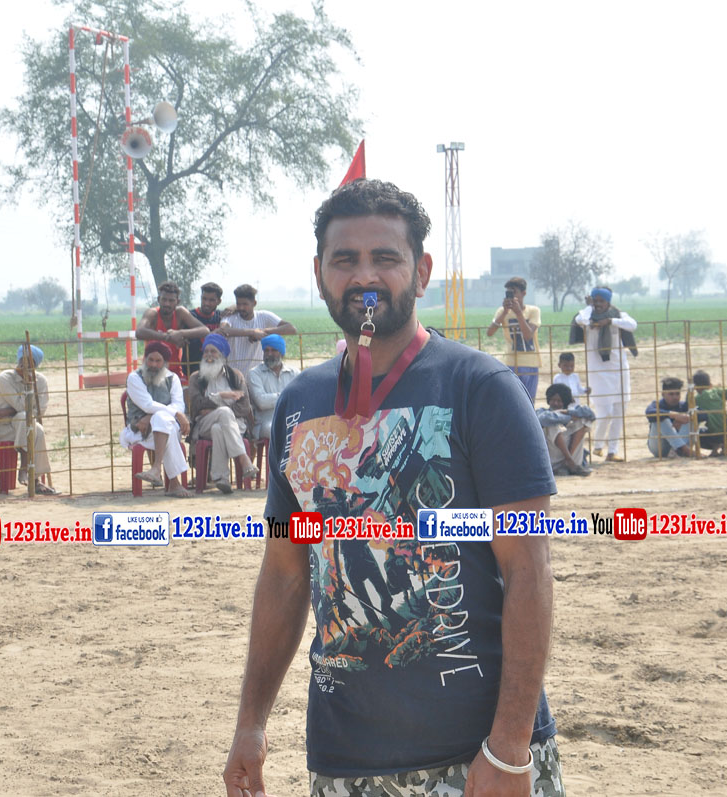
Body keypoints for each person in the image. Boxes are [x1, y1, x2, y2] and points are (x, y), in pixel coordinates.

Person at [224, 179, 562, 797]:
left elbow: (529, 570)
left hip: (478, 756)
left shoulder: (481, 389)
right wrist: (251, 723)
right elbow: (285, 572)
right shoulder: (299, 403)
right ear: (320, 275)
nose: (364, 276)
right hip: (345, 758)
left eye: (385, 257)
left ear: (421, 271)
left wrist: (511, 746)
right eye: (344, 259)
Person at [188, 333, 259, 493]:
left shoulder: (235, 376)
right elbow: (197, 405)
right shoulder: (196, 378)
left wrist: (213, 408)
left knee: (219, 428)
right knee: (224, 412)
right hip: (204, 424)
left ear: (223, 355)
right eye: (206, 352)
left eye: (213, 351)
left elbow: (244, 407)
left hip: (234, 424)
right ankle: (244, 459)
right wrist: (221, 396)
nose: (209, 355)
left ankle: (221, 478)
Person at [120, 341, 193, 497]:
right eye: (150, 360)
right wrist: (175, 414)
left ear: (165, 363)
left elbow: (179, 404)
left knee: (162, 420)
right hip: (141, 431)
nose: (153, 365)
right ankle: (174, 484)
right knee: (165, 423)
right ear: (145, 360)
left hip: (162, 428)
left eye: (158, 361)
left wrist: (154, 416)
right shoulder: (134, 378)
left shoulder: (172, 378)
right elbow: (147, 404)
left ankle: (156, 469)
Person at [0, 344, 59, 494]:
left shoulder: (40, 381)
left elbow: (39, 411)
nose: (25, 365)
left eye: (30, 362)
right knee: (27, 420)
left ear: (35, 365)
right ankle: (27, 470)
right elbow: (20, 406)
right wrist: (23, 403)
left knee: (35, 427)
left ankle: (34, 479)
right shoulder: (5, 378)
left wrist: (8, 411)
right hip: (1, 428)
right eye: (22, 361)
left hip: (25, 425)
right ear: (18, 360)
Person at [573, 286, 637, 462]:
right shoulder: (586, 315)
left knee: (619, 411)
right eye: (596, 301)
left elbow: (633, 325)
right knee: (605, 411)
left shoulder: (618, 315)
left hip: (619, 369)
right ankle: (598, 445)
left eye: (602, 301)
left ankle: (612, 451)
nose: (598, 304)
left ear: (608, 302)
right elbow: (581, 320)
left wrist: (610, 321)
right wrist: (589, 307)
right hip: (598, 371)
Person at [218, 283, 298, 377]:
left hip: (257, 376)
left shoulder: (264, 316)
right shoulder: (230, 317)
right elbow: (223, 330)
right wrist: (252, 332)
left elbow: (291, 329)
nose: (241, 308)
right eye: (238, 304)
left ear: (254, 303)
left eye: (245, 304)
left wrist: (263, 331)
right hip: (233, 376)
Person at [135, 280, 208, 382]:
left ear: (177, 301)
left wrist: (180, 333)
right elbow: (139, 332)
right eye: (164, 299)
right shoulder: (152, 313)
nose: (167, 304)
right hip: (152, 369)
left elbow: (205, 330)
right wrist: (168, 337)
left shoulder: (180, 313)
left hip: (175, 371)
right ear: (158, 299)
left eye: (171, 300)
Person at [486, 276, 541, 402]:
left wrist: (518, 313)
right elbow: (490, 332)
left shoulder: (533, 311)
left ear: (524, 293)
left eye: (514, 292)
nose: (512, 296)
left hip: (530, 362)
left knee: (529, 400)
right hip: (511, 362)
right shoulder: (502, 311)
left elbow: (528, 335)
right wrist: (504, 313)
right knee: (511, 399)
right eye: (509, 293)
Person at [247, 333, 298, 441]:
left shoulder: (294, 373)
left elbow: (301, 398)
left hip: (291, 419)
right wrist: (288, 396)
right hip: (265, 423)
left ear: (281, 353)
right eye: (266, 350)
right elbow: (261, 402)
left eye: (274, 350)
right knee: (277, 429)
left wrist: (275, 398)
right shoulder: (254, 373)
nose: (269, 354)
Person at [536, 383, 593, 476]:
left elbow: (590, 414)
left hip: (572, 456)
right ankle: (568, 460)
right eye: (553, 400)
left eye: (559, 401)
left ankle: (569, 463)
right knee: (553, 425)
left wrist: (567, 412)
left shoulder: (571, 411)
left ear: (565, 402)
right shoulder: (542, 411)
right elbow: (543, 419)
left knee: (582, 421)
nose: (555, 403)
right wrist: (568, 417)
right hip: (553, 458)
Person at [691, 370, 727, 456]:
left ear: (696, 387)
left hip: (712, 435)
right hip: (725, 432)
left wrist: (690, 390)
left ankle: (715, 448)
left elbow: (687, 404)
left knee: (695, 431)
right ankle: (724, 448)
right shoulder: (718, 392)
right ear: (710, 384)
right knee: (723, 420)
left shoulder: (697, 398)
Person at [645, 376, 694, 459]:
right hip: (660, 448)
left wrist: (683, 419)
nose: (675, 397)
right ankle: (684, 449)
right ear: (663, 394)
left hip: (679, 445)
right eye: (671, 394)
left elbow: (702, 414)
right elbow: (649, 412)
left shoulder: (683, 406)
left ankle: (678, 450)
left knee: (691, 416)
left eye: (677, 394)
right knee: (660, 418)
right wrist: (674, 415)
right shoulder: (657, 405)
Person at [186, 282, 225, 376]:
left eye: (211, 300)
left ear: (219, 301)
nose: (207, 303)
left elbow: (238, 309)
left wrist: (233, 307)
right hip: (191, 370)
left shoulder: (221, 317)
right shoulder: (190, 317)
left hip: (215, 370)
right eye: (204, 299)